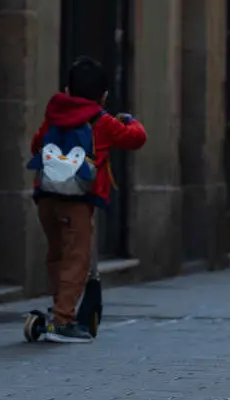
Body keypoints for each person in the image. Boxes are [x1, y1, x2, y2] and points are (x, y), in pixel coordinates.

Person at [27, 56, 147, 343]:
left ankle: (59, 308)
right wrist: (129, 120)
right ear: (103, 95)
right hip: (77, 201)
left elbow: (36, 145)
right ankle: (63, 319)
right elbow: (136, 138)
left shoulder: (53, 114)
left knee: (57, 254)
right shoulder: (102, 122)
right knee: (76, 259)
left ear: (67, 90)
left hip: (45, 197)